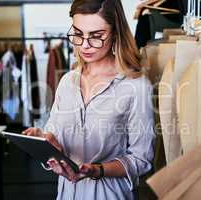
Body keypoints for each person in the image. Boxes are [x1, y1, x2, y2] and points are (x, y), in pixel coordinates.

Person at [23, 0, 155, 199]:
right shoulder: (67, 81)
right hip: (67, 193)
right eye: (78, 34)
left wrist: (97, 170)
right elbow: (55, 135)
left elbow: (141, 159)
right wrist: (46, 141)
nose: (85, 44)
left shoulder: (137, 86)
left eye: (96, 36)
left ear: (116, 33)